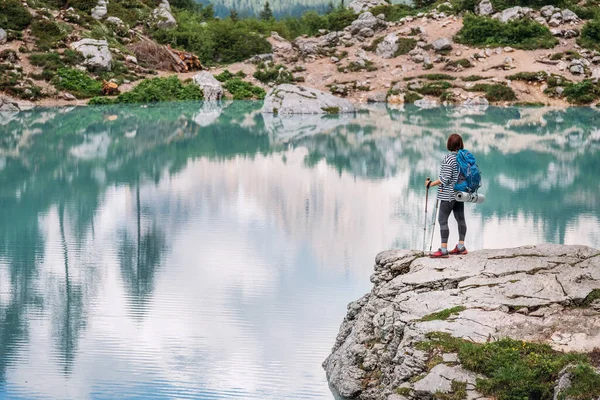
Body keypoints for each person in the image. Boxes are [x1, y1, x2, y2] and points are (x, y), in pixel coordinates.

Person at [424, 133, 468, 258]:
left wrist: (430, 184)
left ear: (449, 144)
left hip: (447, 195)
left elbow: (444, 179)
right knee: (461, 219)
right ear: (460, 144)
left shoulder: (449, 158)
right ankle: (461, 246)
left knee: (442, 220)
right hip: (459, 194)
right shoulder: (463, 158)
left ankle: (443, 250)